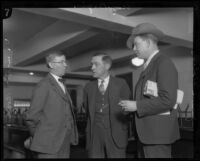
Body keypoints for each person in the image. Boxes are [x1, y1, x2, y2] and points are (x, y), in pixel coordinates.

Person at [119, 23, 180, 158]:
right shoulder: (150, 65)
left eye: (136, 44)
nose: (134, 49)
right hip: (147, 136)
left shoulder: (163, 63)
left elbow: (168, 100)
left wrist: (136, 105)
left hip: (157, 137)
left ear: (147, 43)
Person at [24, 51, 78, 158]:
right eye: (62, 62)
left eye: (65, 61)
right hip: (48, 144)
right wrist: (40, 138)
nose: (65, 65)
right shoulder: (43, 85)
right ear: (51, 65)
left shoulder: (62, 84)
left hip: (64, 141)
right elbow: (31, 117)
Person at [83, 52, 131, 158]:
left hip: (116, 132)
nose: (92, 67)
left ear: (107, 66)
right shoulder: (88, 87)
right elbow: (87, 109)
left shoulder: (121, 83)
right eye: (91, 64)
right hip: (94, 133)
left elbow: (126, 110)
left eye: (96, 64)